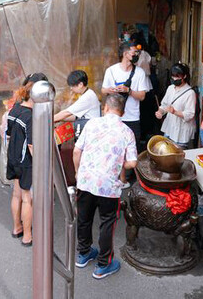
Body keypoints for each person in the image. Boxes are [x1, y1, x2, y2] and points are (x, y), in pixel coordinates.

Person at [73, 94, 138, 279]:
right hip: (108, 187)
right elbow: (132, 163)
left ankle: (83, 254)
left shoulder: (92, 124)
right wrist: (119, 163)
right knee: (107, 223)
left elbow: (77, 151)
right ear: (123, 112)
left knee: (84, 219)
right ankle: (103, 264)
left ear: (105, 108)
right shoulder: (127, 132)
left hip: (85, 182)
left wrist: (78, 173)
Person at [6, 78, 39, 247]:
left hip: (13, 158)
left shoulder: (15, 108)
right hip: (26, 161)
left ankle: (16, 227)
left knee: (16, 194)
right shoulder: (31, 116)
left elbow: (9, 134)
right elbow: (33, 146)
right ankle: (27, 236)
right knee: (28, 199)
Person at [101, 42, 151, 151]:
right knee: (113, 148)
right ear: (125, 54)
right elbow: (103, 90)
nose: (137, 55)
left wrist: (128, 91)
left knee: (131, 149)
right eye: (134, 52)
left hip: (132, 117)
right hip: (114, 117)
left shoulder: (140, 73)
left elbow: (142, 96)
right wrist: (111, 90)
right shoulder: (111, 70)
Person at [156, 63, 197, 149]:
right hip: (169, 128)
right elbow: (164, 105)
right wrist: (160, 112)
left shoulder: (190, 93)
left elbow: (190, 114)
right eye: (173, 76)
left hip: (181, 133)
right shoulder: (170, 88)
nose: (174, 79)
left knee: (177, 158)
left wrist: (175, 112)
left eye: (177, 77)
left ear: (184, 76)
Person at [53, 70, 101, 137]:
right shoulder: (87, 94)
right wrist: (59, 118)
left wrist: (50, 119)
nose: (71, 88)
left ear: (80, 85)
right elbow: (76, 117)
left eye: (72, 86)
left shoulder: (87, 97)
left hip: (91, 132)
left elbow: (67, 113)